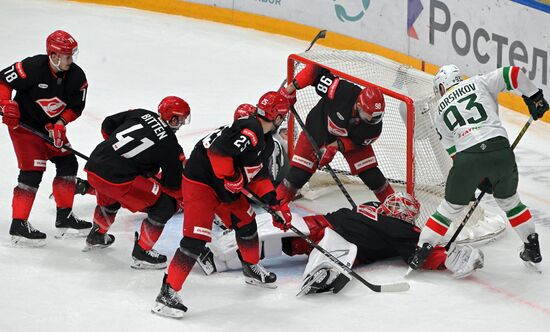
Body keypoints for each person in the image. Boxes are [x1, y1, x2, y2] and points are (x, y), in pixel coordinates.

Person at [151, 91, 292, 318]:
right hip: (200, 184)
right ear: (278, 117)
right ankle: (167, 293)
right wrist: (231, 177)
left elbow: (258, 176)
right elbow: (218, 153)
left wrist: (275, 205)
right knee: (195, 240)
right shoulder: (252, 130)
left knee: (247, 221)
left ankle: (251, 269)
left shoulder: (264, 141)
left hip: (221, 186)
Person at [199, 192, 484, 295]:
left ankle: (216, 254)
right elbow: (420, 254)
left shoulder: (371, 207)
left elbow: (417, 251)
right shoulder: (403, 228)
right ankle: (323, 274)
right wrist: (447, 257)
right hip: (340, 241)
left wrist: (439, 254)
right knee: (333, 255)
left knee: (282, 233)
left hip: (320, 224)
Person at [408, 65, 549, 272]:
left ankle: (422, 251)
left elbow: (455, 154)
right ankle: (531, 245)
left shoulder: (439, 110)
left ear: (441, 86)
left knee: (448, 209)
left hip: (467, 158)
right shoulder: (479, 81)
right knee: (510, 202)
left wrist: (477, 176)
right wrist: (534, 96)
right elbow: (514, 73)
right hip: (500, 150)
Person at [0, 30, 91, 246]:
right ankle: (19, 224)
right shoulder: (32, 67)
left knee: (68, 162)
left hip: (50, 128)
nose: (71, 59)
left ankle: (64, 216)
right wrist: (5, 103)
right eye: (67, 55)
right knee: (33, 171)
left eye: (72, 54)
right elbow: (3, 81)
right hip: (25, 128)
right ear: (53, 55)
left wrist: (60, 124)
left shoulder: (77, 77)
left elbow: (76, 107)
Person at [83, 96, 189, 269]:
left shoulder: (141, 114)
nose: (183, 123)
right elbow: (172, 186)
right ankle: (142, 252)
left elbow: (108, 125)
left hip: (94, 166)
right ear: (173, 118)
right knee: (165, 205)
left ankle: (97, 235)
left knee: (111, 196)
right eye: (182, 119)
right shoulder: (170, 145)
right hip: (118, 180)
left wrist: (120, 156)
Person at [276, 63, 395, 206]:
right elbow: (316, 71)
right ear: (358, 105)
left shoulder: (373, 128)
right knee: (299, 174)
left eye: (376, 117)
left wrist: (336, 146)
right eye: (367, 114)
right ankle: (276, 204)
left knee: (371, 176)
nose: (371, 120)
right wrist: (290, 90)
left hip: (349, 139)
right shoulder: (341, 91)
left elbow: (357, 143)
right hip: (318, 127)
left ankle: (395, 207)